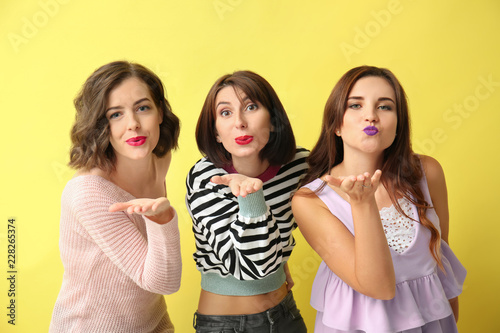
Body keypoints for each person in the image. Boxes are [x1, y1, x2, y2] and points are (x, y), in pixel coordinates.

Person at [292, 66, 466, 333]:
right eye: (355, 106)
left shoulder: (427, 173)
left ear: (399, 123)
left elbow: (442, 265)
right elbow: (378, 288)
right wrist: (362, 204)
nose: (371, 116)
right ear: (336, 124)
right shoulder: (310, 200)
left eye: (385, 107)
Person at [50, 61, 182, 333]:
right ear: (101, 124)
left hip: (153, 322)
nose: (133, 124)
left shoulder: (160, 158)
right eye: (115, 114)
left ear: (159, 112)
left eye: (142, 108)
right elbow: (161, 281)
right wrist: (163, 220)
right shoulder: (89, 192)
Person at [186, 70, 308, 332]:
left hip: (285, 314)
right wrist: (250, 196)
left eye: (251, 107)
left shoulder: (298, 166)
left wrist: (282, 258)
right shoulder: (206, 178)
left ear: (274, 120)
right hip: (226, 325)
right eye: (225, 113)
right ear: (216, 132)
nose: (239, 122)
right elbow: (250, 267)